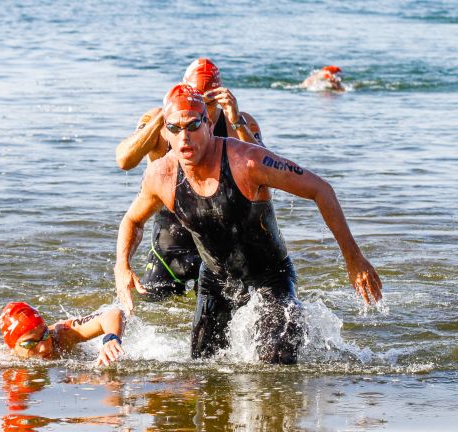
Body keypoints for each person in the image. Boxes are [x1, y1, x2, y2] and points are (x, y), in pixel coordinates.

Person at [114, 84, 382, 363]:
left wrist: (354, 258)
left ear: (208, 123)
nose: (185, 138)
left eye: (193, 125)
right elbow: (132, 220)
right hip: (216, 281)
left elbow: (321, 189)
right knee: (204, 369)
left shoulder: (248, 161)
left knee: (276, 367)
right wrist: (122, 265)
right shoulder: (162, 175)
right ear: (165, 132)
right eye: (175, 128)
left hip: (270, 277)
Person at [114, 58, 266, 301]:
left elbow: (267, 175)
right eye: (197, 99)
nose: (202, 111)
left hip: (223, 242)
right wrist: (165, 115)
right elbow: (124, 160)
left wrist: (237, 122)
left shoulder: (237, 121)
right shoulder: (163, 122)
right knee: (160, 316)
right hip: (172, 239)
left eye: (210, 102)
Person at [0, 302, 125, 366]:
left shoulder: (61, 334)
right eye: (30, 343)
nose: (44, 347)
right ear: (13, 347)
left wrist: (111, 339)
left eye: (44, 335)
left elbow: (113, 314)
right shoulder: (4, 362)